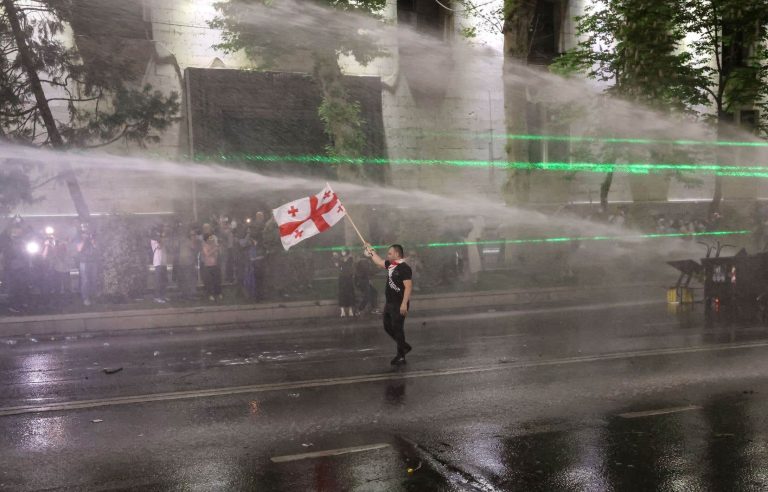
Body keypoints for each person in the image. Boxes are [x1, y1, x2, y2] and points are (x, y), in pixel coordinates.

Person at [364, 243, 413, 365]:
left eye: (390, 253)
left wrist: (404, 304)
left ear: (397, 254)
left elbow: (408, 287)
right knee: (387, 327)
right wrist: (370, 250)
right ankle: (404, 346)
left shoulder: (404, 268)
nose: (388, 255)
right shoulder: (391, 265)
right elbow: (378, 261)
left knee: (398, 329)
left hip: (399, 303)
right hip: (390, 303)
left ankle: (401, 356)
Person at [75, 223, 98, 307]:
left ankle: (93, 297)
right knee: (85, 281)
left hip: (93, 261)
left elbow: (96, 247)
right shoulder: (79, 237)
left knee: (94, 280)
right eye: (83, 227)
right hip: (84, 261)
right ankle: (85, 298)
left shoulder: (93, 236)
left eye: (87, 226)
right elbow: (79, 249)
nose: (85, 228)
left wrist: (92, 239)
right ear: (81, 228)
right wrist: (84, 239)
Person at [176, 228, 200, 300]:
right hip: (187, 263)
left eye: (194, 235)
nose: (194, 236)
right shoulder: (189, 241)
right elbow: (194, 248)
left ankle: (185, 294)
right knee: (189, 279)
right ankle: (189, 295)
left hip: (185, 262)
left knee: (186, 279)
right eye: (193, 235)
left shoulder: (183, 241)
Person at [150, 225, 171, 303]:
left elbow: (167, 247)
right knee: (158, 281)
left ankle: (163, 296)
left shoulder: (163, 240)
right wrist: (162, 238)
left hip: (163, 263)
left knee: (164, 280)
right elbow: (160, 246)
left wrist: (164, 237)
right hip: (158, 263)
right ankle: (157, 297)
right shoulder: (153, 241)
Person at [334, 250, 356, 317]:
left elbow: (345, 265)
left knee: (349, 293)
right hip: (342, 278)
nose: (342, 252)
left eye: (344, 251)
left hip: (348, 278)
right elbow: (338, 266)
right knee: (342, 294)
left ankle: (350, 310)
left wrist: (339, 260)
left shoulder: (350, 259)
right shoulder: (340, 259)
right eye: (342, 251)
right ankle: (343, 311)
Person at [201, 231, 222, 301]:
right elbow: (207, 254)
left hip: (215, 265)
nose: (212, 239)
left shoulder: (214, 245)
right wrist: (215, 249)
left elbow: (218, 255)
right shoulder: (204, 246)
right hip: (208, 266)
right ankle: (210, 294)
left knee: (216, 281)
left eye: (212, 238)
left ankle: (218, 293)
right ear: (206, 239)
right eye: (210, 238)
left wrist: (218, 249)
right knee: (209, 282)